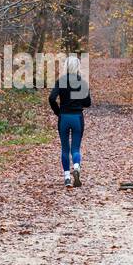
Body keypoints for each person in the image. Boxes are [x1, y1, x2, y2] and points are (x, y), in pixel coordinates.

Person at [47, 55, 92, 187]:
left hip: (64, 118)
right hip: (77, 117)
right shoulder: (82, 82)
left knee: (65, 148)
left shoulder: (60, 81)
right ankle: (76, 167)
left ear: (66, 66)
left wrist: (57, 111)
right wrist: (79, 102)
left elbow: (51, 98)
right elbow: (88, 103)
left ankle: (67, 177)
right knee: (76, 148)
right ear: (77, 67)